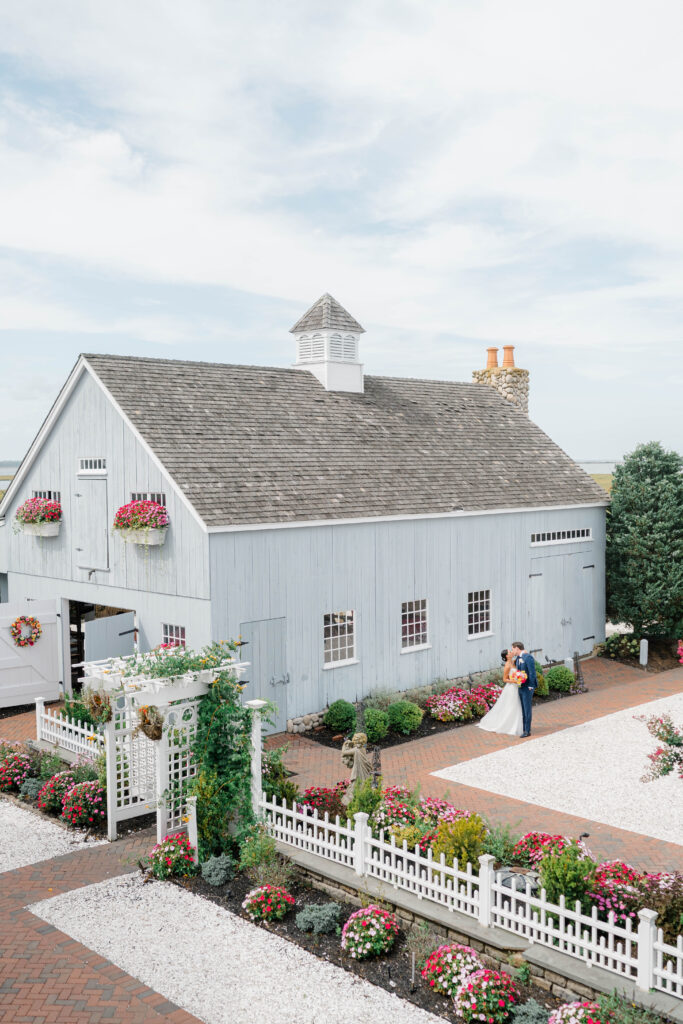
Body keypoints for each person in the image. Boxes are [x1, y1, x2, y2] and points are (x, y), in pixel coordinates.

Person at [477, 649, 523, 737]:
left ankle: (515, 724)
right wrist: (514, 680)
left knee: (516, 705)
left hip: (516, 687)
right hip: (511, 688)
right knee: (511, 706)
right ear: (506, 656)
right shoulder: (507, 665)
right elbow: (505, 679)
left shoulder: (514, 661)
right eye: (509, 652)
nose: (511, 652)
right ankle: (508, 725)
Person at [510, 641, 537, 737]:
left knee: (527, 709)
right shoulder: (517, 658)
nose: (512, 651)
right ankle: (524, 728)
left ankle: (527, 731)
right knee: (522, 708)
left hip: (527, 687)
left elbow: (532, 673)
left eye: (513, 649)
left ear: (517, 648)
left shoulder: (527, 657)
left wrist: (531, 686)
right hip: (521, 686)